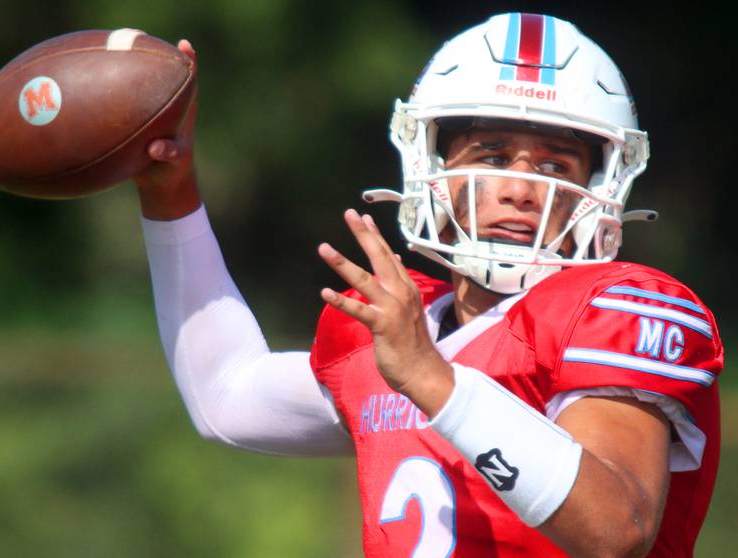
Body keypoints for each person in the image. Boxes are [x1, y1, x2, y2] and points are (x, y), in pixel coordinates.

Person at [133, 13, 723, 558]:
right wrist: (169, 191)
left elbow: (615, 530)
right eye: (491, 155)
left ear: (603, 186)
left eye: (554, 166)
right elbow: (225, 396)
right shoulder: (397, 332)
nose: (519, 189)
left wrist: (431, 379)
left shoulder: (615, 311)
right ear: (429, 168)